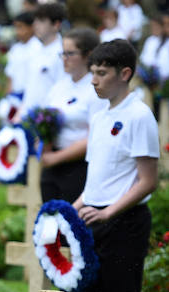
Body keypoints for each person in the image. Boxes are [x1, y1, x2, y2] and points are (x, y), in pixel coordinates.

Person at [65, 40, 157, 292]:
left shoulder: (139, 116)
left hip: (125, 222)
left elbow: (147, 180)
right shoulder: (101, 115)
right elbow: (97, 176)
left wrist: (110, 212)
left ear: (125, 74)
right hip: (95, 220)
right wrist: (74, 208)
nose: (94, 81)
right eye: (93, 72)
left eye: (102, 73)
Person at [39, 28, 106, 204]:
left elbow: (94, 137)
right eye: (62, 53)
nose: (64, 59)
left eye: (70, 53)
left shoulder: (96, 90)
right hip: (51, 166)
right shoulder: (58, 87)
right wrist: (44, 148)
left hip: (79, 167)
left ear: (88, 55)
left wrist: (56, 158)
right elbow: (43, 122)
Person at [19, 2, 65, 117]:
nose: (35, 25)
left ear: (56, 25)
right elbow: (30, 87)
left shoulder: (63, 53)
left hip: (46, 119)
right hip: (27, 115)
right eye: (35, 20)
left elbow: (62, 91)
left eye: (41, 21)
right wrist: (20, 112)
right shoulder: (34, 49)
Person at [4, 11, 41, 97]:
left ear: (32, 27)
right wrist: (8, 95)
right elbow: (10, 75)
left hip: (31, 93)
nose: (17, 31)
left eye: (20, 27)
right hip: (15, 93)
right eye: (16, 27)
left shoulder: (38, 47)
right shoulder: (15, 48)